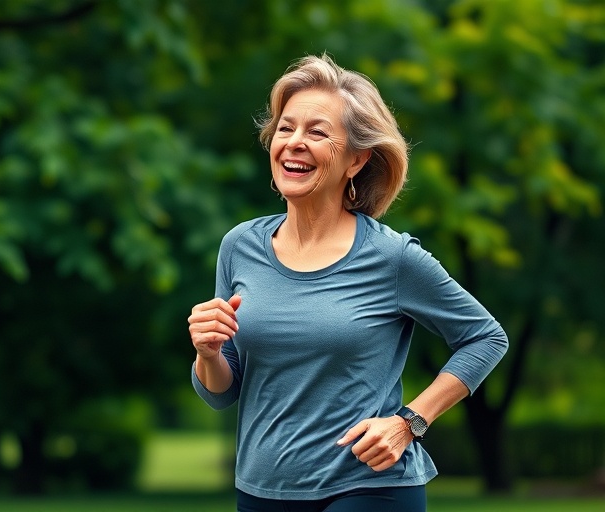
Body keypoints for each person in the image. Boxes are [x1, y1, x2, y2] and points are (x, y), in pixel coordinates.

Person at [187, 53, 508, 512]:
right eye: (285, 128)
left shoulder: (392, 257)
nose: (294, 142)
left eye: (316, 132)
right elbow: (223, 391)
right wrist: (207, 352)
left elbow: (485, 337)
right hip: (261, 490)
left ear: (356, 160)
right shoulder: (240, 246)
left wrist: (409, 422)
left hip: (369, 486)